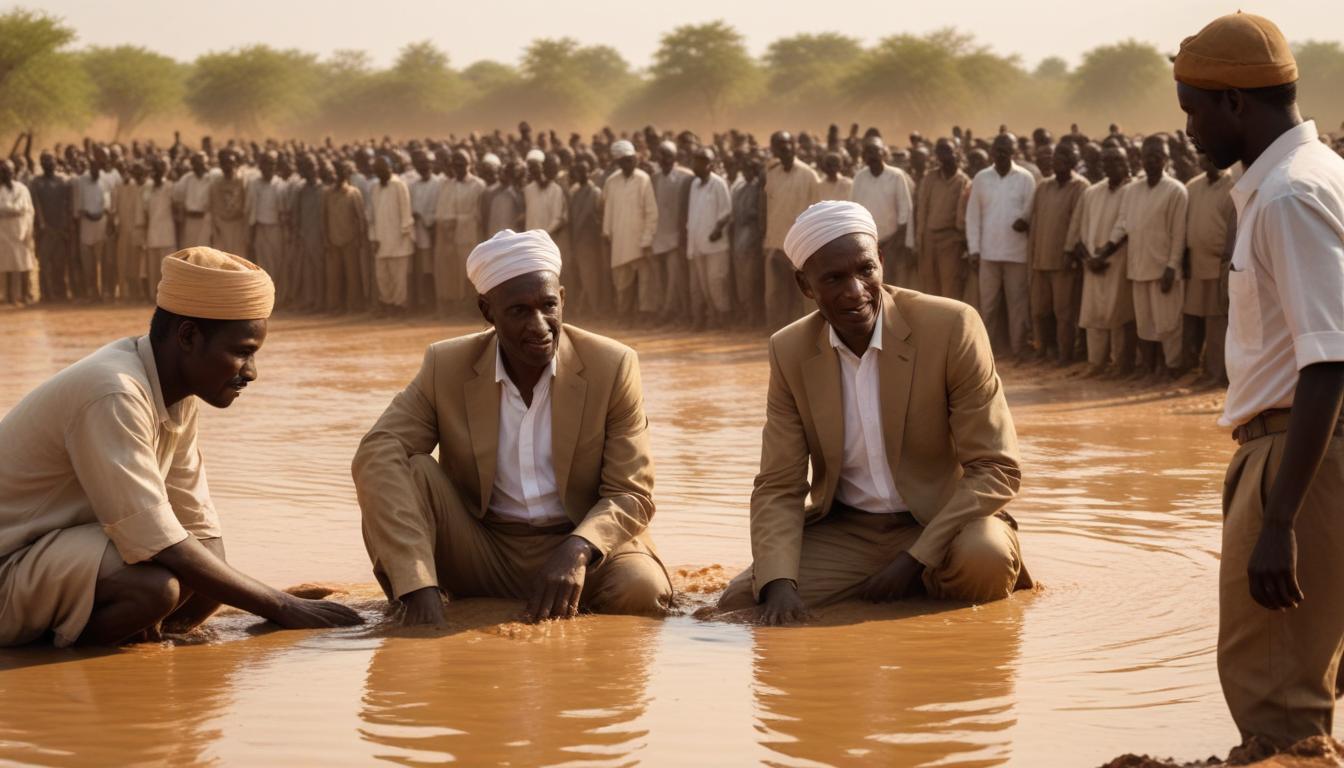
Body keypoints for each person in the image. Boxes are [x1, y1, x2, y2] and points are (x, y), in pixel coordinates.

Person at [0, 247, 362, 647]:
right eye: (242, 352)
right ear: (188, 336)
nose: (251, 373)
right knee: (155, 589)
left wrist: (253, 598)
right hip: (9, 566)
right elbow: (159, 540)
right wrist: (281, 606)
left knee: (208, 574)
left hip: (49, 555)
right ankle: (55, 658)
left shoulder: (178, 394)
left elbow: (199, 529)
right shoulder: (114, 392)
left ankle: (141, 639)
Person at [714, 201, 1027, 623]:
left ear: (881, 261)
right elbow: (779, 485)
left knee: (985, 562)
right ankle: (918, 587)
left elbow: (996, 468)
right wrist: (780, 586)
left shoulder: (952, 326)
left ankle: (929, 579)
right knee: (742, 605)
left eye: (865, 270)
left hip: (945, 522)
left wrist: (914, 560)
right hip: (850, 531)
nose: (856, 290)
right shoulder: (789, 351)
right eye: (834, 278)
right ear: (805, 285)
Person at [353, 229, 673, 626]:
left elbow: (631, 492)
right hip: (482, 550)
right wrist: (417, 589)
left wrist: (577, 548)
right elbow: (378, 450)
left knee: (641, 591)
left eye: (548, 306)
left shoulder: (613, 365)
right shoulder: (446, 364)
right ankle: (417, 598)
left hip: (580, 543)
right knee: (405, 466)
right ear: (488, 311)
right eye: (519, 311)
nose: (539, 325)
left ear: (563, 300)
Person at [1176, 12, 1344, 751]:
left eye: (1193, 108)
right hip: (1305, 454)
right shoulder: (1320, 176)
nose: (1188, 128)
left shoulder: (1288, 198)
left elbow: (1329, 359)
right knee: (1308, 672)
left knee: (1273, 690)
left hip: (1297, 458)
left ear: (1235, 103)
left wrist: (1277, 521)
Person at [1098, 135, 1188, 380]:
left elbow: (1179, 233)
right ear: (1140, 159)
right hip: (1138, 267)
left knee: (1168, 325)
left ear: (1166, 159)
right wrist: (1105, 249)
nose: (1151, 161)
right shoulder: (1132, 190)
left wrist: (1172, 266)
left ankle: (1171, 369)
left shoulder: (1176, 190)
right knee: (1146, 325)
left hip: (1164, 270)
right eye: (1147, 157)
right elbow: (1122, 224)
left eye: (1157, 157)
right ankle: (1150, 369)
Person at [965, 133, 1035, 362]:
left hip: (1017, 253)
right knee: (988, 306)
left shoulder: (1026, 178)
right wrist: (974, 250)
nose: (1002, 153)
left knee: (1018, 305)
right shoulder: (981, 178)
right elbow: (973, 217)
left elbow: (1030, 213)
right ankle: (986, 353)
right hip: (988, 253)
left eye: (1007, 149)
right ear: (992, 152)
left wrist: (1023, 220)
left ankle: (1018, 349)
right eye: (999, 149)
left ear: (1015, 152)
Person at [1070, 146, 1138, 378]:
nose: (1112, 166)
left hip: (1119, 261)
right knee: (1094, 315)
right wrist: (1090, 258)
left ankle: (1119, 364)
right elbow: (1083, 227)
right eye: (1107, 161)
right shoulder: (1092, 192)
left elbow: (1125, 226)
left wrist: (1104, 255)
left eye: (1117, 160)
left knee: (1118, 315)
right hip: (1092, 262)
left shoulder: (1133, 190)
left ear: (1127, 162)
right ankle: (1095, 362)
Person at [1027, 142, 1089, 364]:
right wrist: (1032, 253)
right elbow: (1034, 221)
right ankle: (1044, 350)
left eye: (1064, 156)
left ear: (1073, 161)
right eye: (1056, 157)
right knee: (1040, 310)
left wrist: (1069, 251)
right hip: (1040, 259)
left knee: (1064, 313)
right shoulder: (1043, 187)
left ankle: (1066, 355)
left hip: (1063, 261)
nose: (1058, 160)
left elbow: (1077, 223)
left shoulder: (1081, 187)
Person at [1182, 153, 1236, 385]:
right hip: (1196, 264)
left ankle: (1218, 374)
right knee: (1198, 319)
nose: (1208, 160)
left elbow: (1234, 230)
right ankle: (1202, 370)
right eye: (1204, 157)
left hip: (1219, 265)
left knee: (1218, 323)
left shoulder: (1234, 186)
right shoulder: (1192, 186)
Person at [762, 131, 820, 330]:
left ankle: (806, 333)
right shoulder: (772, 175)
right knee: (776, 295)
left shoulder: (809, 175)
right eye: (779, 144)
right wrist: (767, 242)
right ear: (773, 149)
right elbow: (769, 210)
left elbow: (816, 212)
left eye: (788, 143)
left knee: (802, 295)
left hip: (800, 248)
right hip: (775, 245)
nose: (785, 147)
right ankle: (778, 334)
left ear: (795, 146)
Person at [602, 140, 658, 322]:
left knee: (645, 282)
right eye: (625, 160)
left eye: (632, 159)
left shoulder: (643, 179)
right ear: (618, 162)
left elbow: (651, 212)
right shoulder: (611, 182)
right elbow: (608, 210)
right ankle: (624, 314)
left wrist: (647, 238)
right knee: (622, 282)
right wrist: (607, 233)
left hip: (640, 240)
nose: (630, 163)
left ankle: (645, 315)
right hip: (619, 240)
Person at [850, 137, 913, 290]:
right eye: (868, 152)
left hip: (891, 241)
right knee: (870, 284)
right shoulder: (859, 177)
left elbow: (905, 210)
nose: (872, 155)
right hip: (866, 242)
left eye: (875, 150)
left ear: (883, 153)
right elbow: (854, 209)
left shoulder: (896, 176)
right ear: (863, 156)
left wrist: (900, 240)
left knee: (891, 284)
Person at [432, 149, 485, 317]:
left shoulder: (478, 185)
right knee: (450, 274)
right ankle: (452, 308)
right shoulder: (446, 185)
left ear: (470, 164)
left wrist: (456, 220)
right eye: (455, 165)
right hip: (448, 237)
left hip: (469, 237)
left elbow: (478, 214)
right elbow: (440, 213)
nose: (459, 168)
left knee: (469, 274)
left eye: (462, 164)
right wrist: (448, 224)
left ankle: (470, 310)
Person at [916, 138, 971, 300]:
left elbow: (964, 218)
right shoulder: (930, 178)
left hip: (951, 241)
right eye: (940, 152)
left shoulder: (964, 181)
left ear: (958, 153)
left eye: (948, 151)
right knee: (929, 287)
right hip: (929, 238)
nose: (944, 156)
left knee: (950, 288)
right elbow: (922, 210)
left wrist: (962, 243)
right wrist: (920, 240)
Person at [685, 147, 733, 329]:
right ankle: (711, 318)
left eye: (700, 161)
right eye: (695, 160)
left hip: (716, 245)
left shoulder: (718, 183)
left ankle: (724, 318)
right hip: (697, 244)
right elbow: (692, 215)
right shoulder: (694, 185)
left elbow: (727, 212)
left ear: (710, 164)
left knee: (717, 282)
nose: (696, 164)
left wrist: (717, 229)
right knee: (702, 285)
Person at [650, 141, 692, 324]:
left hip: (678, 237)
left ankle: (674, 312)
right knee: (662, 280)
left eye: (668, 155)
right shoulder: (654, 178)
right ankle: (670, 311)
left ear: (675, 157)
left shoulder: (686, 176)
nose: (664, 159)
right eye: (661, 156)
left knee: (677, 278)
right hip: (658, 236)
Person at [369, 154, 415, 316]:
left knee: (399, 277)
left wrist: (404, 235)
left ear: (390, 169)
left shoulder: (399, 185)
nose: (380, 173)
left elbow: (406, 213)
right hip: (380, 241)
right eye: (377, 171)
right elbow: (372, 216)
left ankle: (399, 306)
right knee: (382, 276)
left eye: (382, 169)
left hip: (399, 241)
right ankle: (387, 303)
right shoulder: (375, 188)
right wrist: (373, 238)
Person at [29, 152, 73, 302]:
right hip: (44, 230)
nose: (48, 163)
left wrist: (65, 226)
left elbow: (67, 204)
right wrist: (42, 225)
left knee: (60, 263)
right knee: (44, 263)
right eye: (45, 161)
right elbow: (36, 205)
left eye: (50, 160)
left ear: (56, 162)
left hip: (61, 229)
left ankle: (61, 293)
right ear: (41, 164)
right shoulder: (36, 183)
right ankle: (45, 295)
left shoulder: (64, 181)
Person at [73, 147, 115, 302]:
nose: (97, 170)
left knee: (104, 262)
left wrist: (108, 222)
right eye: (94, 167)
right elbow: (77, 207)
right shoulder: (80, 181)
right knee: (88, 264)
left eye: (99, 167)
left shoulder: (106, 179)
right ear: (90, 167)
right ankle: (92, 292)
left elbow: (109, 206)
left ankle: (105, 292)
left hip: (102, 225)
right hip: (86, 226)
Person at [324, 160, 367, 313]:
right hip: (333, 240)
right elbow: (325, 218)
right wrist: (326, 239)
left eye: (342, 172)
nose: (339, 176)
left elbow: (361, 218)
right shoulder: (328, 193)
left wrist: (360, 240)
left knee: (353, 276)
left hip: (351, 240)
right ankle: (335, 307)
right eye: (337, 172)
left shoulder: (354, 193)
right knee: (334, 277)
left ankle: (354, 307)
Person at [566, 155, 606, 315]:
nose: (580, 175)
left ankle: (595, 309)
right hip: (576, 241)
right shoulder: (574, 193)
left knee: (591, 276)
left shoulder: (595, 192)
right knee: (581, 277)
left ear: (589, 172)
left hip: (590, 241)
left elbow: (599, 217)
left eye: (583, 171)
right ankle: (585, 309)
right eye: (578, 172)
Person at [731, 155, 766, 326]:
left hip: (752, 241)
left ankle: (753, 317)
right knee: (741, 282)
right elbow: (734, 213)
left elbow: (758, 215)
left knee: (752, 282)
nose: (746, 172)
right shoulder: (740, 188)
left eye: (748, 169)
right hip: (739, 241)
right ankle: (745, 315)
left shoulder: (759, 189)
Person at [291, 154, 327, 313]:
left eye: (312, 166)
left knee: (320, 271)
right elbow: (296, 215)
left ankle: (321, 302)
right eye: (306, 167)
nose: (310, 170)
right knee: (307, 271)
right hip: (305, 236)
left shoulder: (325, 189)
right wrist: (298, 234)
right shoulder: (301, 191)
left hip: (320, 237)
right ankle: (309, 301)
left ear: (317, 167)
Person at [141, 158, 176, 303]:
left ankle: (168, 299)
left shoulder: (171, 187)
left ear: (166, 171)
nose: (158, 171)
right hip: (152, 234)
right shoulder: (147, 188)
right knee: (153, 269)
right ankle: (153, 296)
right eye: (156, 168)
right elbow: (144, 211)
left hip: (167, 234)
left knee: (168, 270)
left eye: (162, 168)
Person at [0, 159, 35, 305]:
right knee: (5, 265)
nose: (6, 173)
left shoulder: (22, 189)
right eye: (3, 171)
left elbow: (24, 208)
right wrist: (11, 209)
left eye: (9, 170)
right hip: (3, 234)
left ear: (14, 172)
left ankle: (26, 295)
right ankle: (7, 296)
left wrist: (6, 210)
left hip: (21, 233)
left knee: (24, 265)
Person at [112, 163, 147, 302]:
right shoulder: (119, 189)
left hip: (138, 231)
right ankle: (124, 294)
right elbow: (115, 212)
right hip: (124, 232)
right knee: (123, 263)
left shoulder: (143, 188)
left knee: (138, 265)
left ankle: (138, 294)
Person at [209, 149, 248, 260]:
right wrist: (215, 228)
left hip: (238, 226)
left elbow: (247, 205)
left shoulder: (242, 182)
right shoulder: (215, 184)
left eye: (231, 162)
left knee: (239, 260)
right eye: (225, 162)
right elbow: (213, 207)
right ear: (221, 165)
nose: (228, 166)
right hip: (221, 227)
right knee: (222, 260)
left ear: (236, 164)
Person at [174, 152, 214, 248]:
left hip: (205, 221)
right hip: (190, 220)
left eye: (203, 163)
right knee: (190, 251)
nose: (200, 166)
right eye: (197, 163)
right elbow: (177, 197)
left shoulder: (211, 178)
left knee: (205, 252)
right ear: (193, 165)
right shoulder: (187, 178)